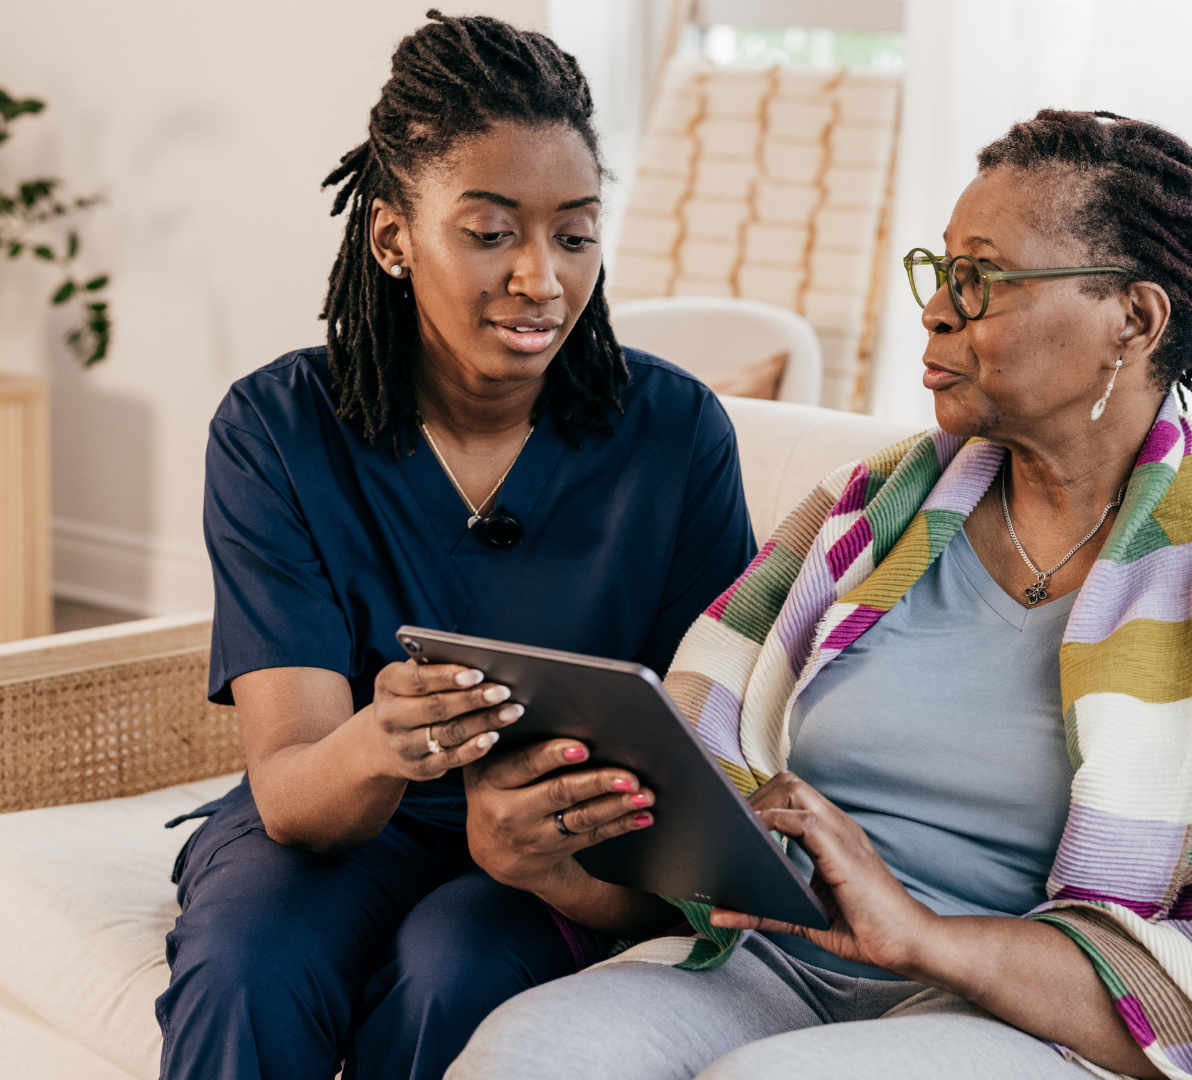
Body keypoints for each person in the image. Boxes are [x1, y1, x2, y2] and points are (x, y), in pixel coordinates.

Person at [449, 110, 1192, 1080]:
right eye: (940, 272)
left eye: (981, 278)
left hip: (1033, 1021)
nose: (938, 310)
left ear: (1135, 317)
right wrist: (554, 864)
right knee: (523, 1053)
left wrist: (923, 937)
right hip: (778, 956)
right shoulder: (868, 513)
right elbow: (707, 847)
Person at [156, 12, 756, 1080]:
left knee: (455, 973)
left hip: (552, 850)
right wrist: (388, 738)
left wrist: (566, 859)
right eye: (490, 233)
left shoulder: (676, 436)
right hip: (346, 811)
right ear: (393, 237)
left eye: (573, 233)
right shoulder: (277, 430)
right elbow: (295, 797)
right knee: (246, 964)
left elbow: (703, 775)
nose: (542, 278)